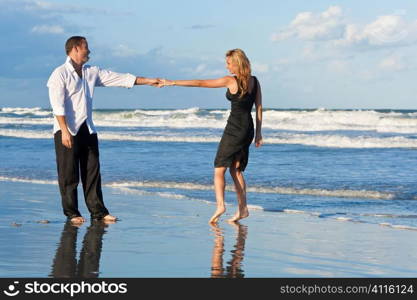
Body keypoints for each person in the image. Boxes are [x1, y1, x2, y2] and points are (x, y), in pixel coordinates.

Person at [47, 36, 160, 225]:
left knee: (92, 171)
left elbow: (119, 78)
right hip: (66, 130)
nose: (89, 51)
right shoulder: (59, 74)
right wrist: (65, 131)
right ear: (75, 49)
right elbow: (57, 105)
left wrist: (148, 80)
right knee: (68, 174)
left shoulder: (91, 72)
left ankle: (98, 211)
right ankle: (72, 213)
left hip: (87, 129)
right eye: (86, 48)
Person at [160, 49, 263, 223]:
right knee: (236, 169)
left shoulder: (230, 80)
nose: (227, 66)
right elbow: (259, 107)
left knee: (219, 168)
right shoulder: (254, 81)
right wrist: (258, 133)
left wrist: (173, 82)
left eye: (229, 63)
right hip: (248, 128)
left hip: (235, 128)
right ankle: (243, 209)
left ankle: (221, 205)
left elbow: (201, 83)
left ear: (237, 63)